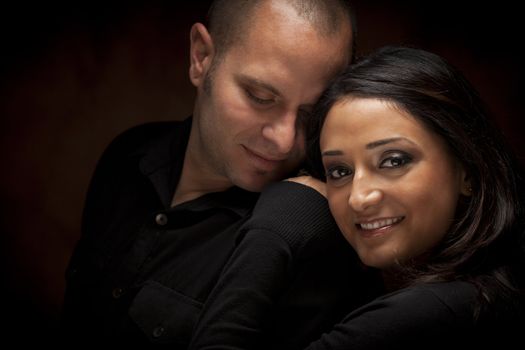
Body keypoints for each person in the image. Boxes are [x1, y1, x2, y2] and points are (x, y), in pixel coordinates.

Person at [60, 0, 384, 347]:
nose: (285, 140)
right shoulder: (128, 155)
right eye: (261, 97)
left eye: (310, 114)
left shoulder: (307, 238)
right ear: (201, 57)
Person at [289, 45, 525, 348]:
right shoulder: (498, 288)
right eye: (339, 171)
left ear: (467, 169)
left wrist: (271, 230)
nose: (358, 198)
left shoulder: (427, 313)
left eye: (393, 161)